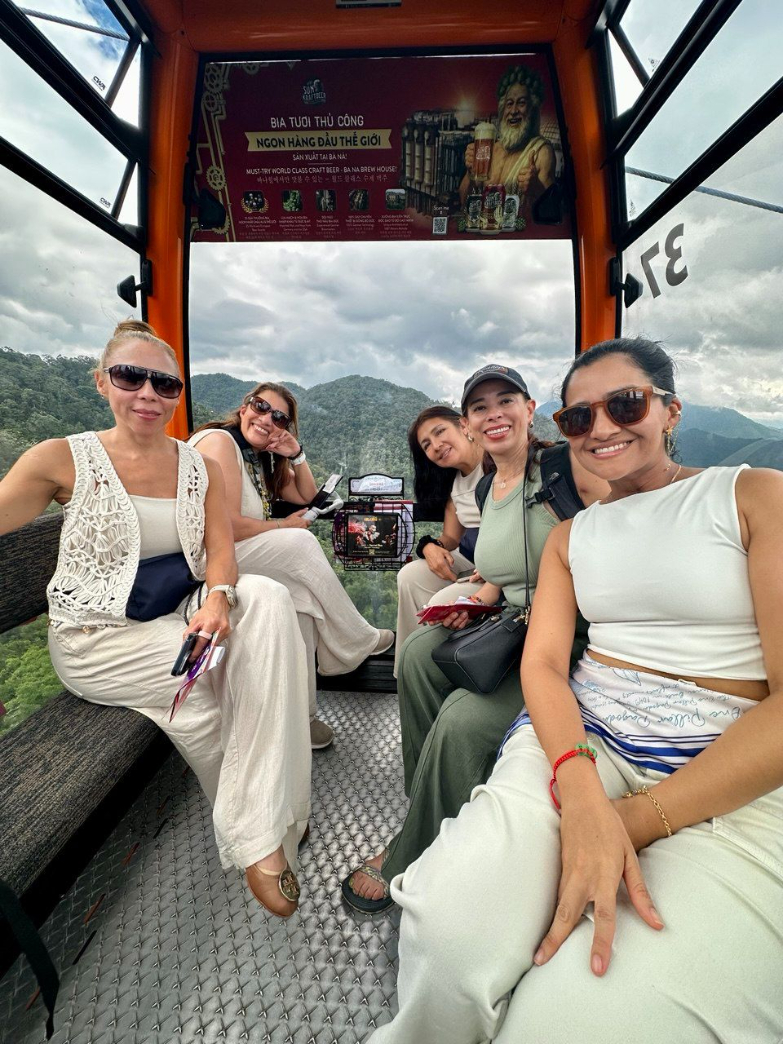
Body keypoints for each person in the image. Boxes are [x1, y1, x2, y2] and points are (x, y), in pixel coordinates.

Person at [368, 338, 783, 1043]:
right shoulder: (574, 538)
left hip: (731, 754)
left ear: (671, 410)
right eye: (580, 418)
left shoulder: (749, 496)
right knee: (445, 933)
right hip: (585, 735)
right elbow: (543, 665)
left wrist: (632, 820)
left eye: (626, 404)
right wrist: (580, 786)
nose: (602, 427)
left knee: (581, 1017)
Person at [0, 320, 312, 920]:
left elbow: (220, 550)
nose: (148, 392)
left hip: (180, 609)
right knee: (205, 690)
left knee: (270, 602)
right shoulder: (63, 458)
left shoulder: (199, 468)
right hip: (98, 637)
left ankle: (276, 813)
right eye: (129, 376)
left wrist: (219, 599)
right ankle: (263, 835)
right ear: (102, 382)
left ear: (177, 394)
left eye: (164, 383)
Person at [342, 364, 607, 913]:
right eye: (480, 407)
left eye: (506, 400)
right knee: (417, 654)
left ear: (530, 409)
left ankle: (416, 850)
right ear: (470, 423)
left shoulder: (565, 468)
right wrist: (473, 601)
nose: (494, 414)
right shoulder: (489, 486)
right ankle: (428, 799)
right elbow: (503, 572)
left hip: (570, 636)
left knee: (460, 719)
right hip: (514, 622)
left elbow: (633, 508)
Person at [189, 383, 393, 750]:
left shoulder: (257, 459)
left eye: (279, 417)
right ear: (243, 408)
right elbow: (225, 526)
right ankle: (357, 638)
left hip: (239, 551)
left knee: (300, 603)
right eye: (260, 406)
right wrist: (284, 525)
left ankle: (304, 718)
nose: (267, 418)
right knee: (300, 542)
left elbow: (307, 496)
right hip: (209, 558)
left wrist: (296, 454)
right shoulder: (220, 442)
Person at [394, 406, 485, 675]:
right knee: (410, 575)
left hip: (498, 566)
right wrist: (429, 546)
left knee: (440, 603)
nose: (436, 445)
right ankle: (407, 673)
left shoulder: (495, 462)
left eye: (440, 432)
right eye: (426, 445)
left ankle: (438, 672)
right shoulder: (455, 481)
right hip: (471, 558)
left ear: (463, 426)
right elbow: (451, 537)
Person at [460, 64, 555, 206]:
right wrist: (470, 174)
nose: (514, 111)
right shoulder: (492, 150)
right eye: (509, 104)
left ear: (532, 109)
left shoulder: (542, 152)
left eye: (521, 103)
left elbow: (553, 209)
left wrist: (537, 188)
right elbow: (464, 201)